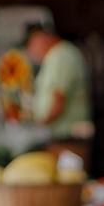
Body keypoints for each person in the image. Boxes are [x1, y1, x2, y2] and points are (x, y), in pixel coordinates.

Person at [25, 24, 93, 160]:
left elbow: (58, 101)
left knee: (68, 177)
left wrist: (37, 124)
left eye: (31, 45)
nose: (31, 51)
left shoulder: (61, 56)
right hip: (63, 137)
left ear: (41, 39)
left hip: (68, 138)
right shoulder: (58, 55)